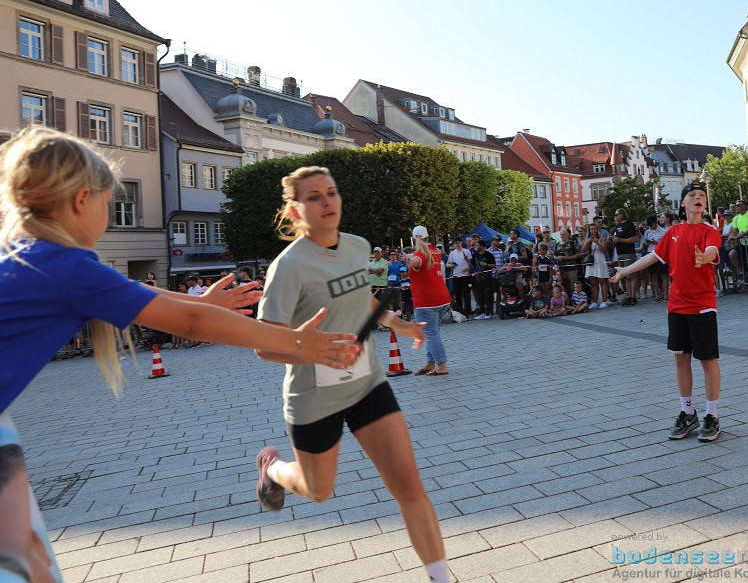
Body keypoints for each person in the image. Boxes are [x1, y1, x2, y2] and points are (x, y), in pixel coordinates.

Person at [0, 131, 360, 583]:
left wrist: (205, 303)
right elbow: (188, 323)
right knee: (23, 564)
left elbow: (151, 297)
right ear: (81, 200)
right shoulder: (65, 264)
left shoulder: (22, 252)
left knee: (28, 561)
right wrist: (298, 344)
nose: (107, 219)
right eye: (108, 205)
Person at [252, 166, 451, 583]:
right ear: (294, 211)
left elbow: (361, 300)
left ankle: (440, 577)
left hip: (367, 384)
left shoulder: (358, 246)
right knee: (318, 490)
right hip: (313, 396)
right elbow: (264, 344)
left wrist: (399, 324)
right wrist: (312, 350)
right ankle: (272, 469)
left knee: (409, 485)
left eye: (331, 192)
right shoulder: (288, 268)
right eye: (314, 197)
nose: (326, 202)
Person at [611, 182, 723, 442]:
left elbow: (712, 250)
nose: (698, 198)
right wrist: (626, 271)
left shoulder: (709, 230)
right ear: (683, 203)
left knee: (707, 360)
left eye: (702, 196)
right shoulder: (673, 232)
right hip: (677, 304)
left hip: (702, 304)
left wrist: (704, 258)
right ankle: (687, 412)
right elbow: (653, 257)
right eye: (693, 195)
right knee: (680, 358)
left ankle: (712, 415)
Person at [407, 227, 452, 376]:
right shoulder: (435, 251)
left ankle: (442, 365)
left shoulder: (421, 253)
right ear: (427, 237)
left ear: (415, 238)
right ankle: (430, 363)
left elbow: (417, 261)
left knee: (431, 334)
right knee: (433, 333)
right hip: (442, 298)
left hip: (426, 301)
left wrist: (408, 259)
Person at [612, 208, 640, 305]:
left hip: (628, 252)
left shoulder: (629, 224)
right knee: (625, 275)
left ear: (622, 214)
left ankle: (633, 296)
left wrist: (620, 240)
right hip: (620, 253)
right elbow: (618, 237)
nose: (615, 217)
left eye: (616, 215)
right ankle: (628, 295)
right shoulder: (618, 225)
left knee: (631, 275)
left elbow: (634, 239)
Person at [581, 223, 609, 309]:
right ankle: (595, 301)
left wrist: (597, 241)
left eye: (594, 229)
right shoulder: (588, 239)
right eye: (591, 229)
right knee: (593, 282)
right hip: (591, 262)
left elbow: (604, 249)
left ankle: (604, 301)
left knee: (602, 281)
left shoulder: (602, 238)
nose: (593, 230)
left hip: (600, 260)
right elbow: (582, 250)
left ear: (597, 230)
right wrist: (588, 242)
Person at [641, 214, 668, 302]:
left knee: (664, 274)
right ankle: (656, 295)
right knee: (653, 275)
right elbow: (644, 242)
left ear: (655, 223)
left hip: (661, 254)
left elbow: (666, 244)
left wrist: (656, 242)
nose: (651, 227)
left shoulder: (663, 231)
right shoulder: (647, 232)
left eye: (652, 225)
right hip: (651, 253)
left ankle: (665, 295)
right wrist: (646, 243)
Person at [446, 238, 473, 319]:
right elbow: (447, 264)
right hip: (456, 276)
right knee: (458, 295)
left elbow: (471, 265)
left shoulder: (466, 251)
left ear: (461, 243)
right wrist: (452, 266)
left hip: (465, 276)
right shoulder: (452, 254)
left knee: (466, 295)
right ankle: (461, 312)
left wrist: (467, 266)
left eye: (457, 243)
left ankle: (468, 312)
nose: (456, 245)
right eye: (455, 243)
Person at [471, 238, 496, 320]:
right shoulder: (475, 255)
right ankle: (482, 312)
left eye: (477, 245)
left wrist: (485, 264)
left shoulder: (488, 254)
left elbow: (494, 265)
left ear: (482, 246)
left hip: (487, 277)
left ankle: (489, 312)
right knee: (479, 296)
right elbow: (472, 264)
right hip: (478, 277)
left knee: (488, 296)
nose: (476, 246)